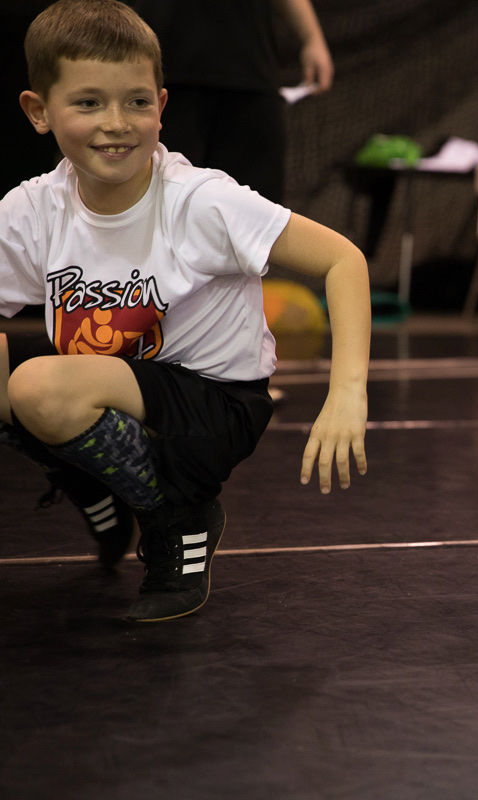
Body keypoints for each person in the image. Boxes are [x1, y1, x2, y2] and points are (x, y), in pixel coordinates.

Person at [0, 0, 370, 622]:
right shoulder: (32, 208)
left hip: (212, 403)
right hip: (118, 385)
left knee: (36, 384)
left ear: (162, 107)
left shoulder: (202, 202)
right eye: (88, 103)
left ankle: (178, 513)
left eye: (137, 102)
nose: (116, 123)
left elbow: (344, 259)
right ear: (40, 112)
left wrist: (348, 392)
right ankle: (92, 477)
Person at [127, 0, 334, 204]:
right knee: (160, 200)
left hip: (251, 74)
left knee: (255, 209)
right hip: (165, 71)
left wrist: (312, 38)